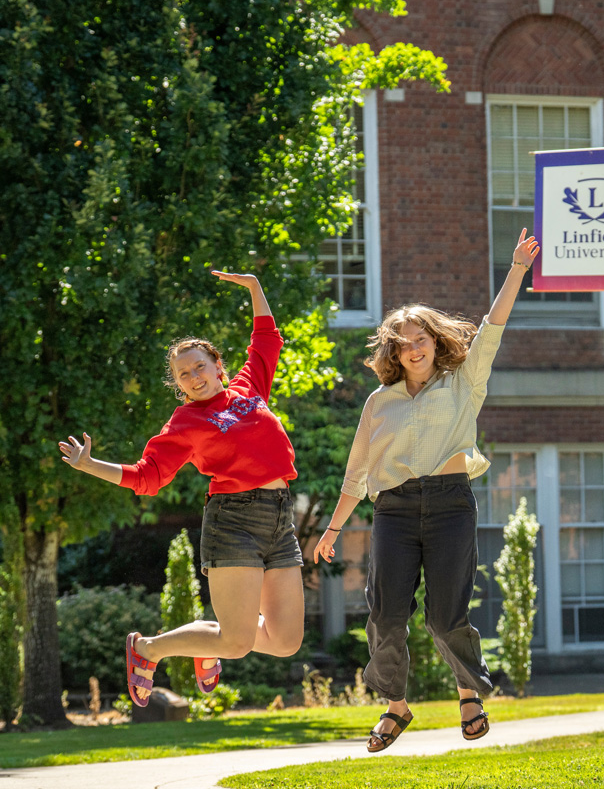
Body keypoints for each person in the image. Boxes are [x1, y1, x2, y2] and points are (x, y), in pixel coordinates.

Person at [314, 229, 540, 752]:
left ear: (436, 342)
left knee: (445, 615)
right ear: (393, 350)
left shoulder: (464, 382)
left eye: (422, 339)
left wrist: (516, 270)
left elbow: (492, 329)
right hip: (392, 510)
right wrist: (333, 528)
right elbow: (358, 471)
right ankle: (396, 706)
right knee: (385, 613)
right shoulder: (379, 402)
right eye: (404, 342)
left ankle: (468, 692)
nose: (414, 349)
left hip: (449, 505)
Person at [60, 271, 305, 707]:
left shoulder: (249, 389)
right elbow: (146, 477)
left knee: (286, 641)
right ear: (177, 382)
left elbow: (267, 339)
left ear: (217, 367)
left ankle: (205, 646)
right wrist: (89, 464)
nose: (193, 376)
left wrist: (253, 288)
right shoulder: (185, 423)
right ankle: (147, 649)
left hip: (279, 516)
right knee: (237, 642)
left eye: (199, 366)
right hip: (234, 521)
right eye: (183, 373)